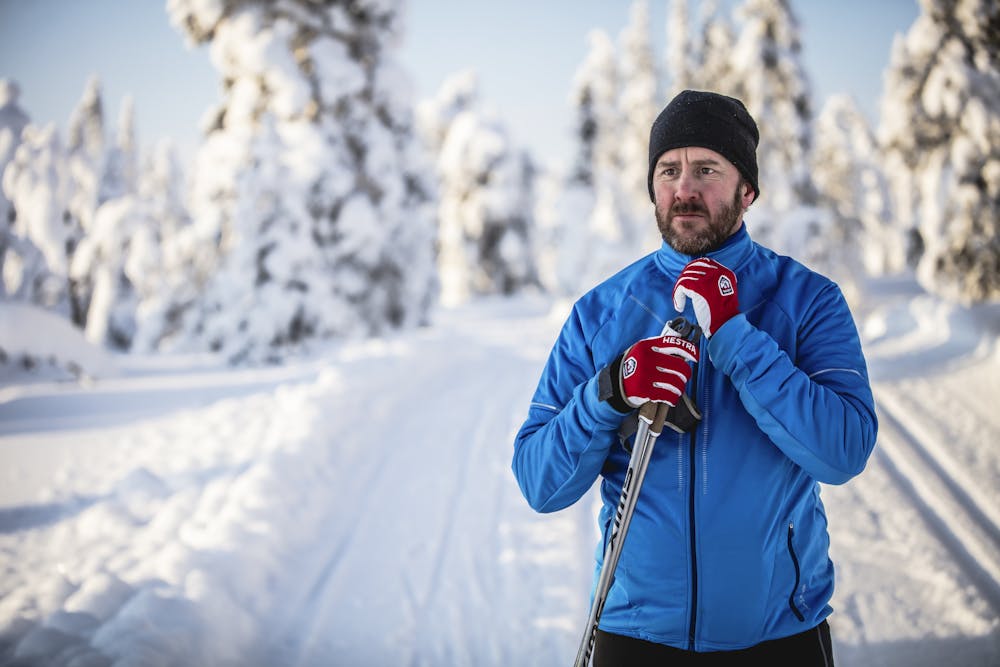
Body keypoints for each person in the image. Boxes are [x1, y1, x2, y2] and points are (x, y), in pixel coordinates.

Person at [511, 89, 878, 665]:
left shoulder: (807, 300)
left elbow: (843, 451)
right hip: (635, 637)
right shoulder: (601, 312)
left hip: (777, 637)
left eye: (707, 169)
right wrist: (611, 391)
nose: (685, 189)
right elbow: (540, 483)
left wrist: (734, 335)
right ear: (653, 187)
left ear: (746, 190)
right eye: (669, 170)